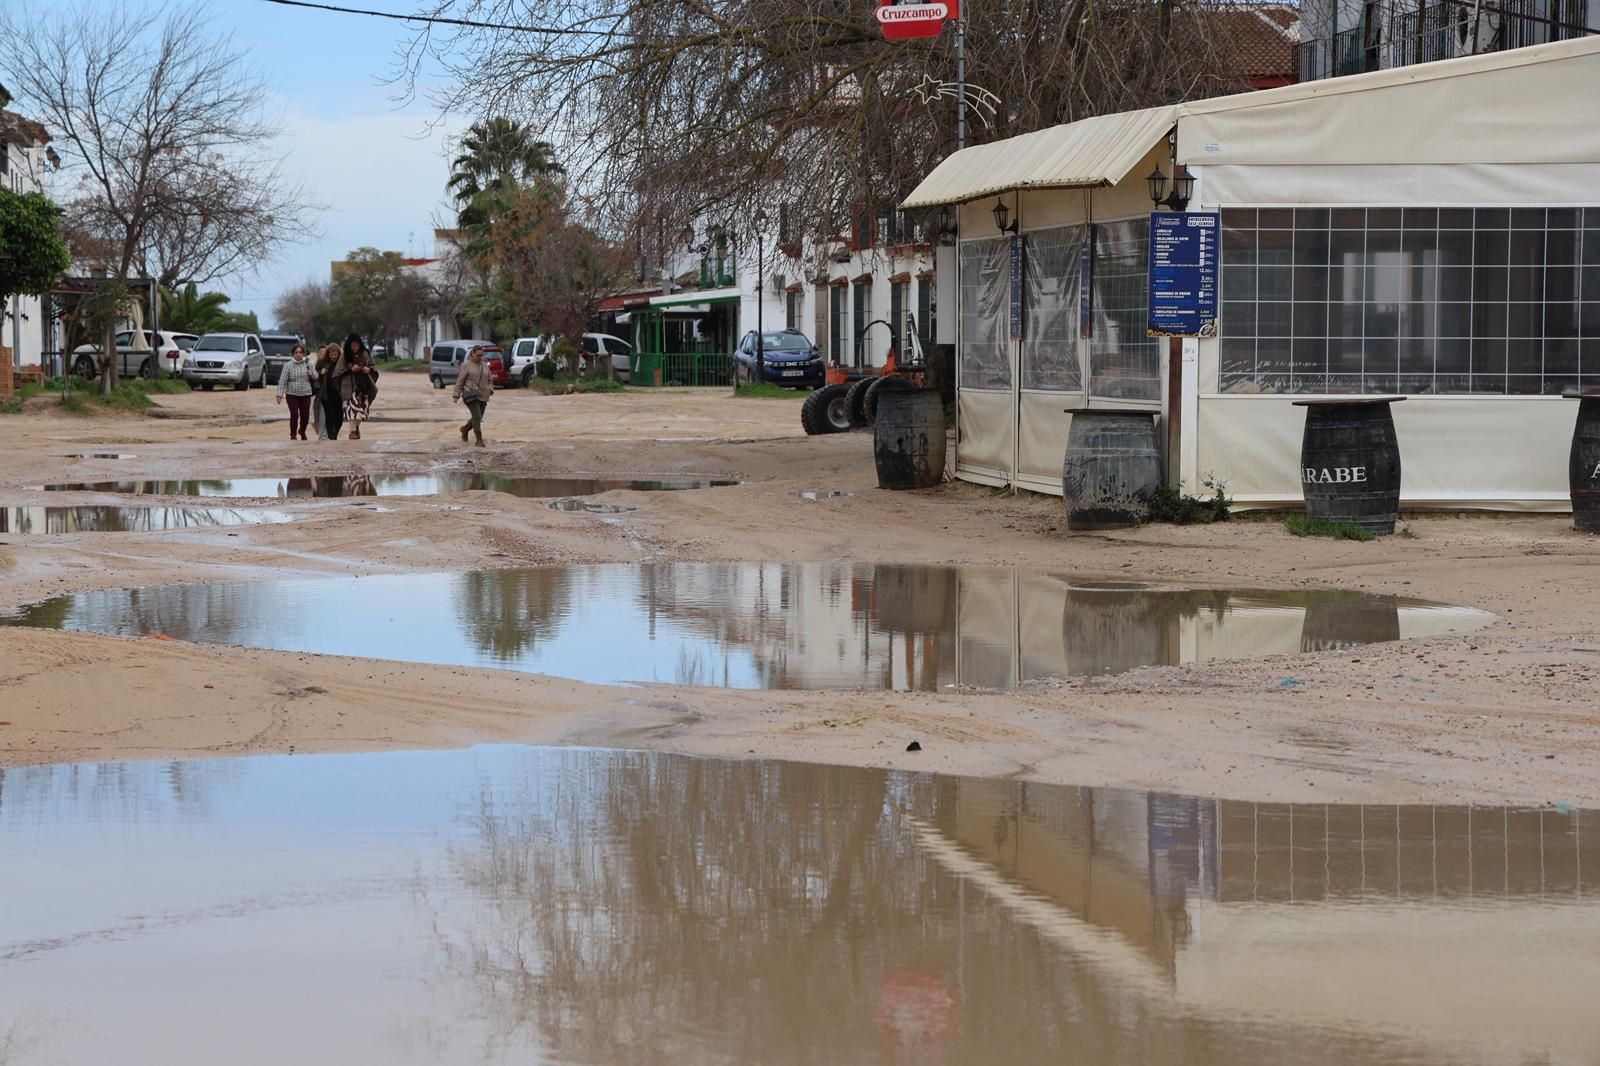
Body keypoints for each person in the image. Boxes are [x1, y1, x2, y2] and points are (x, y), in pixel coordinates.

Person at [334, 334, 376, 441]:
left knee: (362, 410)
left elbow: (373, 367)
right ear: (349, 345)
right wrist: (351, 370)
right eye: (353, 346)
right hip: (349, 388)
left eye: (357, 346)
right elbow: (337, 372)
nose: (355, 348)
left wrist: (368, 370)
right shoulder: (344, 356)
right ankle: (352, 431)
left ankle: (356, 427)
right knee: (352, 409)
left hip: (364, 387)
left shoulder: (366, 354)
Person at [452, 344, 495, 447]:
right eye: (478, 355)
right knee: (477, 416)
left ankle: (465, 429)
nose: (480, 357)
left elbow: (490, 379)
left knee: (478, 418)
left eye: (482, 355)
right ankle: (479, 440)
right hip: (470, 394)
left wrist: (490, 388)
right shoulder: (466, 365)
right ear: (472, 354)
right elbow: (460, 381)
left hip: (483, 395)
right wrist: (456, 395)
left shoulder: (485, 366)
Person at [275, 343, 316, 441]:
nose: (298, 354)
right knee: (294, 414)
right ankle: (293, 435)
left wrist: (311, 374)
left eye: (300, 352)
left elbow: (316, 376)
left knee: (305, 416)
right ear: (293, 354)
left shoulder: (308, 363)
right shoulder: (288, 365)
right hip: (292, 394)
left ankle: (302, 431)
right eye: (296, 352)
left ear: (303, 353)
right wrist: (279, 394)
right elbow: (283, 380)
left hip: (306, 393)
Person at [315, 344, 343, 440]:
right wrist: (320, 373)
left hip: (339, 395)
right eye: (332, 354)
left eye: (335, 354)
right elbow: (314, 374)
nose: (334, 357)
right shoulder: (322, 362)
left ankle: (335, 433)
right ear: (328, 354)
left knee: (339, 417)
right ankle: (331, 435)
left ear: (339, 354)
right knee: (329, 416)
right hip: (326, 394)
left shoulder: (342, 363)